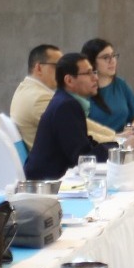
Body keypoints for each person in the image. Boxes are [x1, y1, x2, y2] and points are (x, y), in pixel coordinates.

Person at [11, 43, 120, 149]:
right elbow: (76, 133)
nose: (63, 72)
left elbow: (82, 123)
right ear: (39, 68)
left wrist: (114, 136)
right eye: (58, 66)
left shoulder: (27, 89)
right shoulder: (38, 99)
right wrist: (116, 140)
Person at [24, 52, 115, 180]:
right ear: (69, 80)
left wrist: (116, 145)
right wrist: (117, 150)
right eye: (88, 73)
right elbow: (83, 159)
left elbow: (86, 144)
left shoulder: (64, 100)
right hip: (48, 184)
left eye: (94, 72)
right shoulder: (66, 106)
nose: (95, 78)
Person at [83, 38, 134, 133]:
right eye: (106, 57)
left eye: (113, 56)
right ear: (92, 62)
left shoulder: (120, 84)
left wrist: (132, 126)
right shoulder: (83, 90)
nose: (112, 61)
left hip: (123, 139)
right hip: (97, 141)